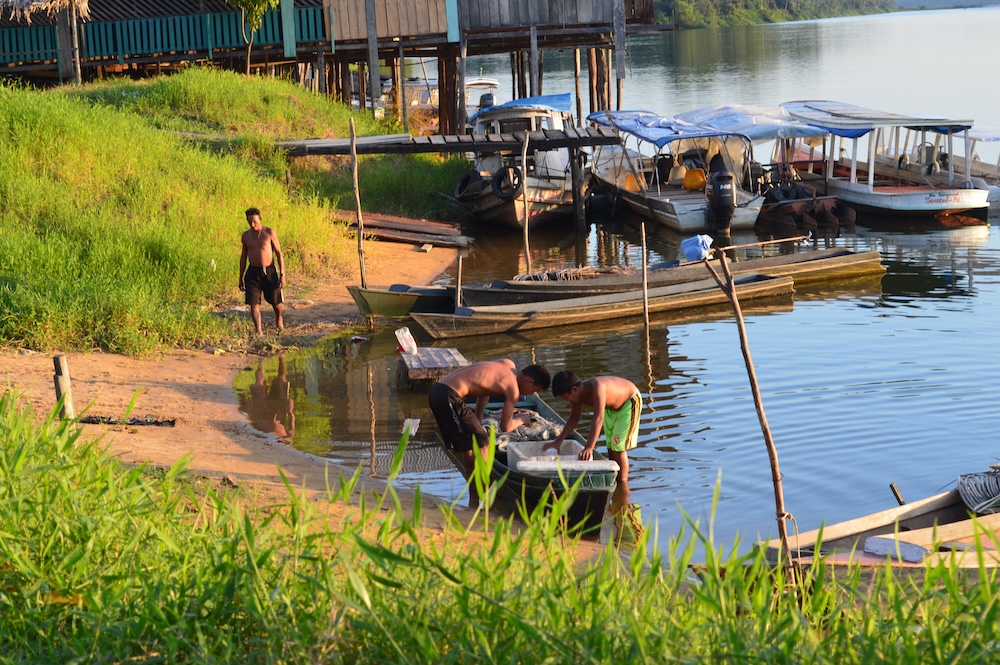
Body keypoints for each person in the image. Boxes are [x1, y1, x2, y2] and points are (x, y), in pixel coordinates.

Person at [428, 359, 551, 477]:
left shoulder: (507, 364)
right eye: (534, 390)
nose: (530, 394)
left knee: (472, 441)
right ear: (529, 381)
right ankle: (482, 485)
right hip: (448, 396)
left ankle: (475, 489)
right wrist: (522, 419)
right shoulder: (513, 390)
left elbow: (485, 390)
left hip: (437, 389)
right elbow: (506, 427)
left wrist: (478, 420)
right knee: (482, 442)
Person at [547, 371, 642, 485]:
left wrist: (589, 447)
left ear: (574, 389)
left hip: (628, 402)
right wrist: (558, 442)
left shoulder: (597, 387)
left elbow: (598, 418)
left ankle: (622, 485)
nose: (567, 400)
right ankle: (615, 481)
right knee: (611, 448)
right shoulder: (576, 396)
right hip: (610, 409)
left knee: (618, 448)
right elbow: (574, 417)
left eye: (567, 397)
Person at [239, 206, 286, 336]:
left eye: (254, 221)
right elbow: (243, 257)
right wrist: (240, 277)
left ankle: (279, 319)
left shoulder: (269, 233)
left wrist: (282, 275)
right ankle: (259, 331)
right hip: (253, 272)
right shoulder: (246, 236)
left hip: (269, 272)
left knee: (275, 301)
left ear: (260, 219)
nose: (252, 224)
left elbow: (279, 253)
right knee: (254, 304)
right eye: (249, 222)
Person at [245, 354, 295, 444]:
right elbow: (291, 428)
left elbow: (252, 424)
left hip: (263, 413)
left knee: (260, 384)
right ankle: (281, 358)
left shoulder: (263, 437)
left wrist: (250, 410)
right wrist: (291, 411)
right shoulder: (286, 439)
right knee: (281, 379)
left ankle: (262, 360)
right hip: (278, 411)